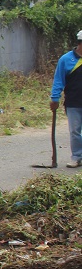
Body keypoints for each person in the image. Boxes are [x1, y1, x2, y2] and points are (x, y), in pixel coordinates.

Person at [51, 30, 82, 168]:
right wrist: (55, 98)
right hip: (73, 102)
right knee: (75, 130)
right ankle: (76, 156)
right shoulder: (66, 60)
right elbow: (59, 80)